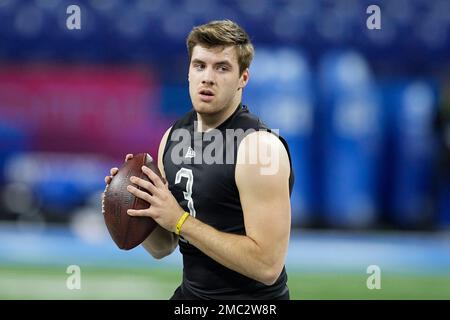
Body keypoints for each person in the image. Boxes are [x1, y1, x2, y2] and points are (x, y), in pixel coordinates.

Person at [104, 20, 294, 300]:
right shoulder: (174, 135)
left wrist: (180, 221)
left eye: (222, 68)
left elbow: (267, 266)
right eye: (200, 65)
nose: (208, 77)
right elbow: (163, 247)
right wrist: (133, 209)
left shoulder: (259, 148)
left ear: (243, 79)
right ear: (188, 72)